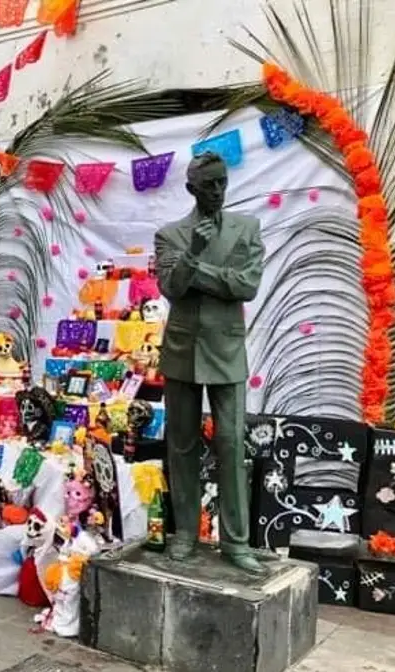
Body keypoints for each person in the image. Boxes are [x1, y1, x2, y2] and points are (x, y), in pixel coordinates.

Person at [153, 151, 267, 575]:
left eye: (222, 182)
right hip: (182, 350)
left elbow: (248, 286)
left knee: (232, 443)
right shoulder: (170, 234)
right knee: (181, 444)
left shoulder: (247, 228)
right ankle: (186, 533)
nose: (218, 191)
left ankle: (236, 542)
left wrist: (199, 272)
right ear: (191, 189)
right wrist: (194, 256)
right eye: (209, 185)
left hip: (228, 351)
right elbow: (170, 287)